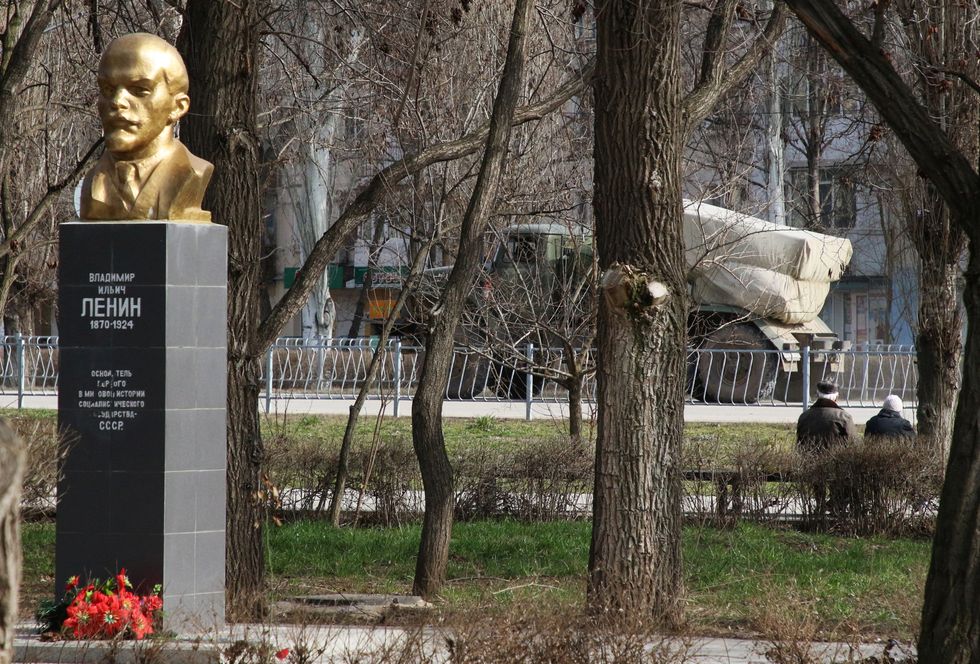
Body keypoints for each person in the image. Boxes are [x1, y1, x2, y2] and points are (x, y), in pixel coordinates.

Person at [80, 33, 212, 222]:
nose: (117, 102)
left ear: (177, 107)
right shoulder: (92, 183)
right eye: (108, 89)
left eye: (139, 90)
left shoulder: (192, 172)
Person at [796, 379, 857, 453]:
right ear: (836, 397)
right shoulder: (844, 417)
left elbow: (799, 444)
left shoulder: (804, 416)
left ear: (817, 395)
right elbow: (853, 443)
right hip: (835, 459)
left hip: (808, 459)